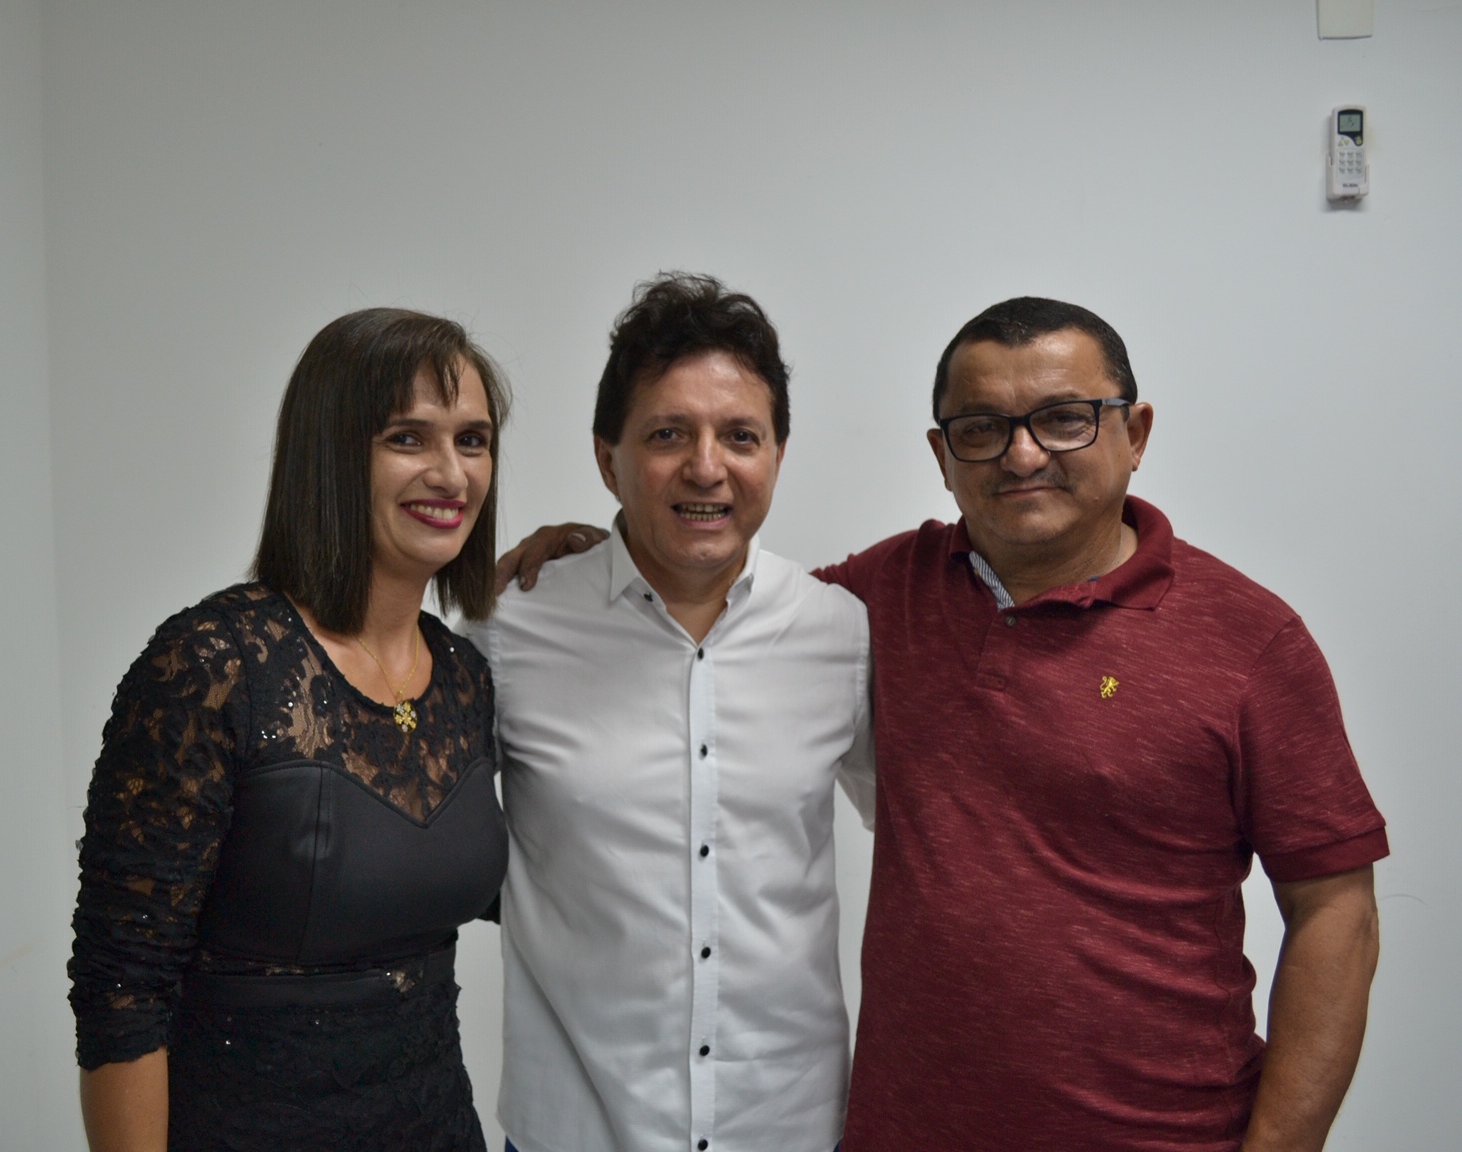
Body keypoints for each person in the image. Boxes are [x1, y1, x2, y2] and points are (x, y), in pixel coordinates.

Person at [503, 296, 1387, 1152]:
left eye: (1064, 419)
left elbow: (1335, 911)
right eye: (983, 427)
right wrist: (605, 555)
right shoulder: (872, 603)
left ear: (1136, 433)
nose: (1023, 453)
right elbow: (712, 597)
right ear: (942, 452)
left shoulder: (1249, 641)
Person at [68, 308, 512, 1152]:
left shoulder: (464, 677)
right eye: (408, 438)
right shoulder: (213, 663)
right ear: (330, 454)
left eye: (473, 440)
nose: (452, 473)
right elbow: (122, 990)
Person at [469, 273, 875, 1152]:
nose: (707, 467)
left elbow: (930, 837)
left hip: (790, 1128)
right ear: (606, 458)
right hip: (576, 1132)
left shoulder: (841, 633)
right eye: (667, 434)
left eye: (740, 436)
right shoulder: (508, 631)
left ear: (777, 455)